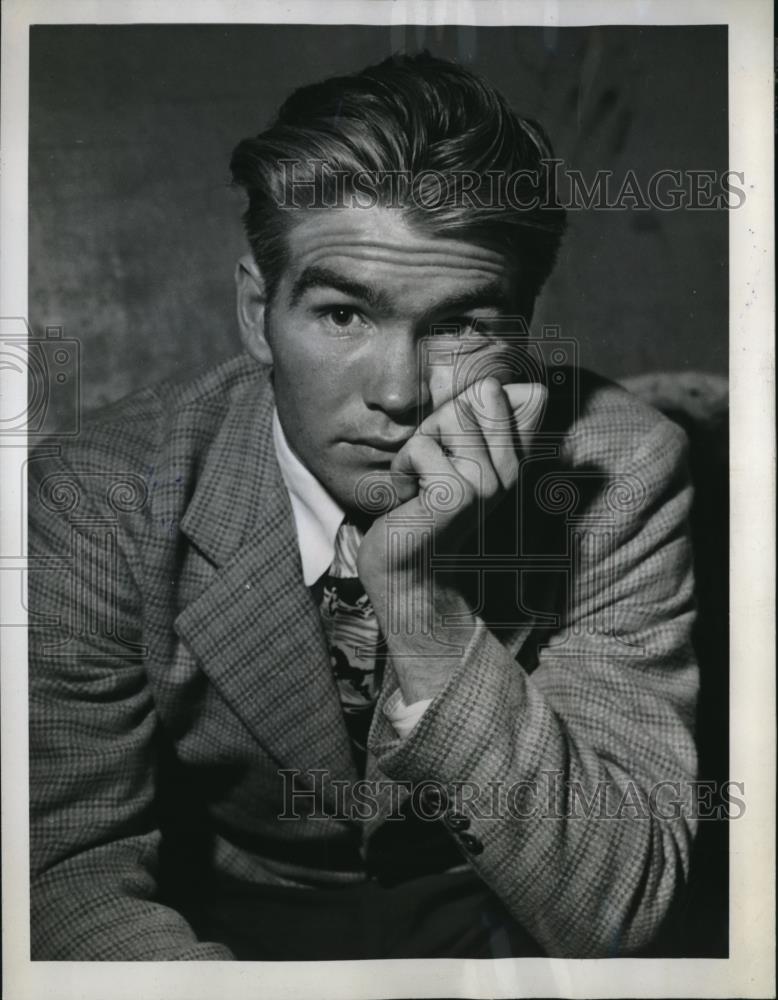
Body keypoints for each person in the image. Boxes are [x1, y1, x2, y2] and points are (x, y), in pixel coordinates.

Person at [28, 52, 698, 961]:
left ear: (526, 329)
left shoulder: (620, 465)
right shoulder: (98, 494)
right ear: (257, 312)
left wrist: (420, 604)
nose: (400, 392)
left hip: (505, 934)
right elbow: (66, 875)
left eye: (462, 323)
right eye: (344, 314)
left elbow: (618, 906)